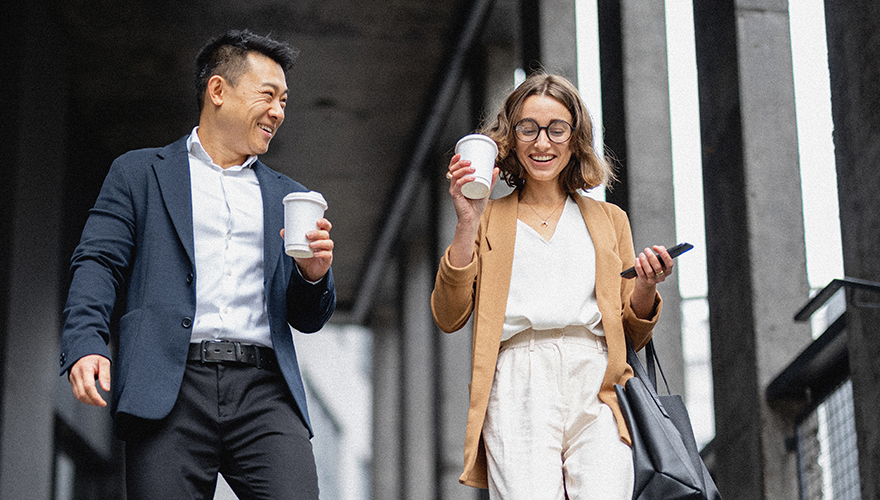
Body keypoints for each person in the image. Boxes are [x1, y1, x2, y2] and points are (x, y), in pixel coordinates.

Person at [59, 29, 335, 499]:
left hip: (265, 391)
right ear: (218, 91)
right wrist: (86, 341)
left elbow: (308, 318)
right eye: (268, 95)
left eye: (285, 101)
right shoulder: (139, 173)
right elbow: (98, 261)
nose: (278, 112)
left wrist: (314, 276)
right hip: (169, 385)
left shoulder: (288, 196)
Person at [431, 72, 674, 499]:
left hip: (598, 377)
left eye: (556, 129)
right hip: (518, 377)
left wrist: (647, 287)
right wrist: (467, 222)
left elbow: (629, 330)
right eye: (528, 128)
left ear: (575, 138)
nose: (542, 143)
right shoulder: (489, 218)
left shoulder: (608, 220)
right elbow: (449, 315)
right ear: (511, 137)